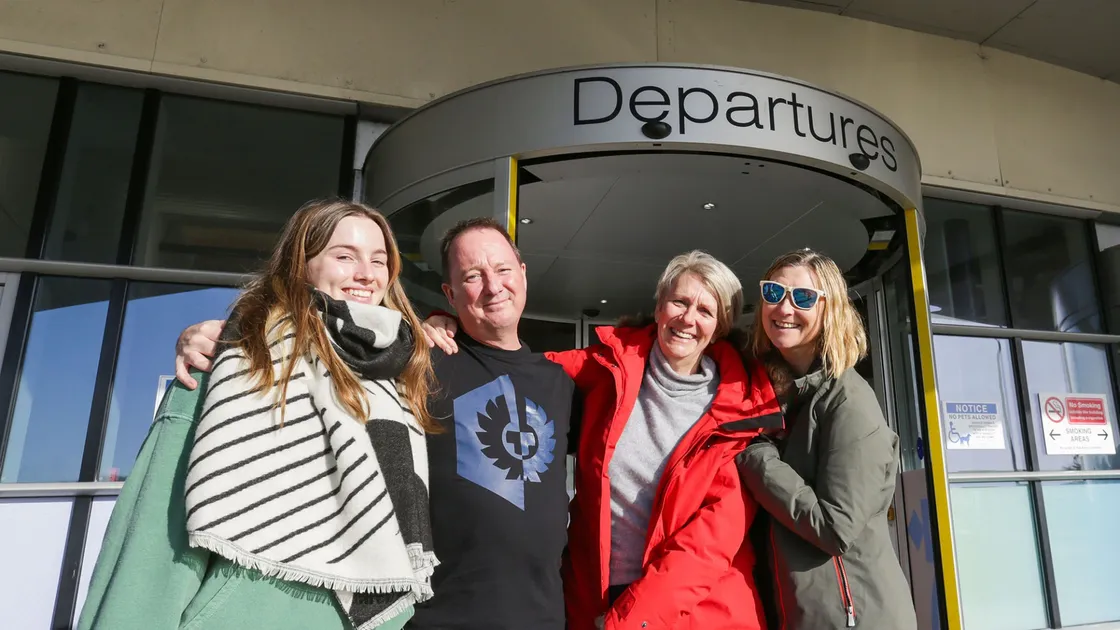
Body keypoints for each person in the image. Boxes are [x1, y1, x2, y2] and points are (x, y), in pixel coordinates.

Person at [171, 216, 576, 630]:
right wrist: (218, 335)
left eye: (503, 269)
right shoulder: (418, 358)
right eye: (473, 276)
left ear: (522, 274)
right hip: (437, 618)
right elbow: (326, 336)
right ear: (450, 294)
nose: (493, 286)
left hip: (544, 617)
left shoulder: (562, 384)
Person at [78, 199, 440, 630]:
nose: (366, 273)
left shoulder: (400, 379)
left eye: (379, 260)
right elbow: (157, 535)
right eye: (344, 256)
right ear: (299, 264)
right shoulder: (237, 359)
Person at [424, 250, 783, 630]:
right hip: (595, 601)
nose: (687, 319)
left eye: (705, 311)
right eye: (679, 301)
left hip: (696, 612)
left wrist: (628, 622)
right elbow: (515, 368)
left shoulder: (740, 411)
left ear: (720, 327)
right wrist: (449, 327)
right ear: (660, 306)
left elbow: (706, 547)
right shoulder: (608, 368)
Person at [736, 248, 917, 629]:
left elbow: (835, 527)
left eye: (802, 298)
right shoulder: (776, 396)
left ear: (830, 309)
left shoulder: (849, 401)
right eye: (774, 293)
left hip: (855, 618)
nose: (784, 308)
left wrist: (757, 456)